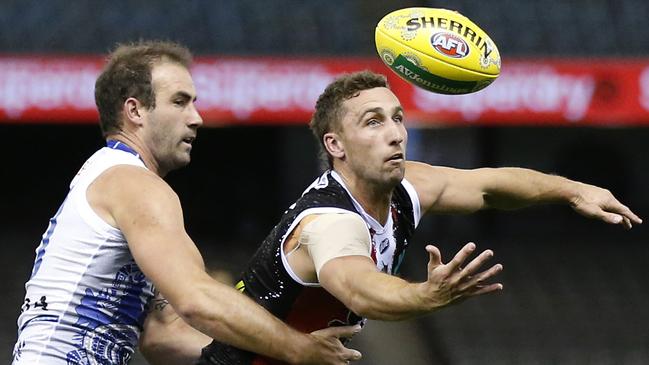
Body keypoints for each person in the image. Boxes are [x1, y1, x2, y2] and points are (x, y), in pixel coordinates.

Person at [140, 70, 643, 365]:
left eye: (398, 117)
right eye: (373, 121)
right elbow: (360, 289)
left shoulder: (407, 186)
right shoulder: (329, 222)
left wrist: (572, 189)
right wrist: (427, 295)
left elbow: (488, 187)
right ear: (334, 146)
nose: (395, 132)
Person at [11, 40, 363, 365]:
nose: (197, 117)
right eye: (180, 101)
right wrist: (297, 348)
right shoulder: (134, 184)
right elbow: (196, 299)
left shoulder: (109, 177)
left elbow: (165, 334)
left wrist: (274, 351)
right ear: (135, 110)